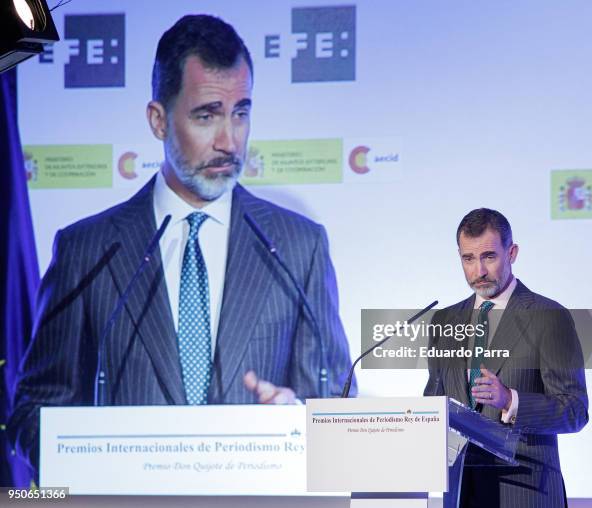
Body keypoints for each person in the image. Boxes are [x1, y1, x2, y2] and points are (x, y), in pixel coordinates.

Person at [9, 14, 354, 474]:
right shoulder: (87, 251)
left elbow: (338, 407)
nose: (229, 140)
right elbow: (32, 413)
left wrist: (298, 424)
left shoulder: (297, 247)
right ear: (158, 120)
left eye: (241, 112)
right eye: (206, 115)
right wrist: (95, 456)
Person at [424, 208, 588, 508]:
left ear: (511, 253)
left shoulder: (549, 317)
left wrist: (511, 401)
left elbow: (575, 411)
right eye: (468, 259)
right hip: (461, 493)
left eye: (489, 256)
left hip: (525, 491)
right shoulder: (443, 320)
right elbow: (434, 402)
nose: (479, 271)